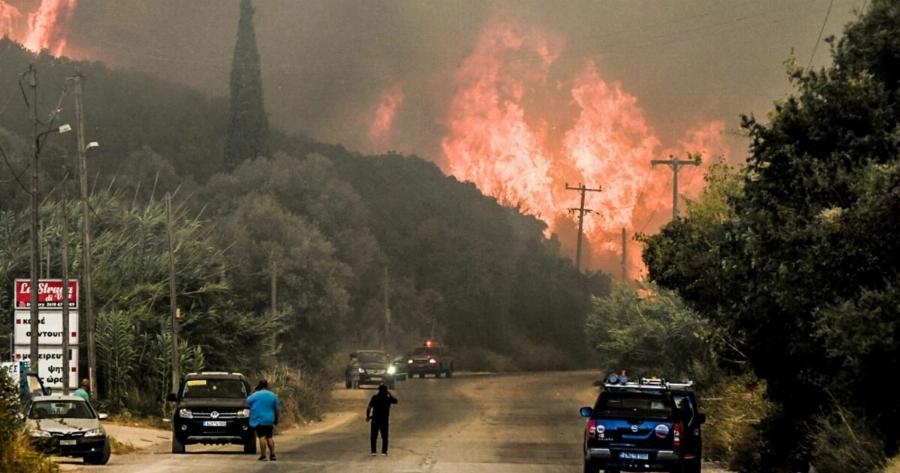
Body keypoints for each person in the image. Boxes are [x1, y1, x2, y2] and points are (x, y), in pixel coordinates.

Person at [246, 380, 281, 461]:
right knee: (269, 437)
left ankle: (263, 456)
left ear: (259, 386)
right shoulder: (273, 395)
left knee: (262, 436)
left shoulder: (255, 394)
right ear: (267, 385)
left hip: (259, 419)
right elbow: (277, 409)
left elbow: (248, 401)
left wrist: (253, 391)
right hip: (269, 419)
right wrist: (277, 419)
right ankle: (272, 455)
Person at [366, 384, 398, 456]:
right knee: (385, 436)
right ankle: (384, 451)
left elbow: (369, 407)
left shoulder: (375, 397)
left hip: (375, 419)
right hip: (384, 419)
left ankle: (373, 451)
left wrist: (368, 416)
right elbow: (396, 401)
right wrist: (390, 394)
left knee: (373, 436)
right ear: (386, 391)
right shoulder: (387, 399)